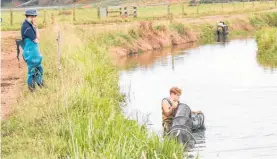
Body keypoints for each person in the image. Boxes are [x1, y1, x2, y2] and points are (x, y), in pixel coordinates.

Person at [21, 9, 44, 92]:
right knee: (32, 71)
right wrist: (35, 27)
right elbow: (37, 40)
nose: (36, 18)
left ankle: (40, 84)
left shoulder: (30, 25)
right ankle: (32, 89)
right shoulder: (27, 27)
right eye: (35, 16)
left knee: (38, 68)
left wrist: (35, 26)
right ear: (30, 16)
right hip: (30, 52)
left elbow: (38, 38)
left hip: (33, 51)